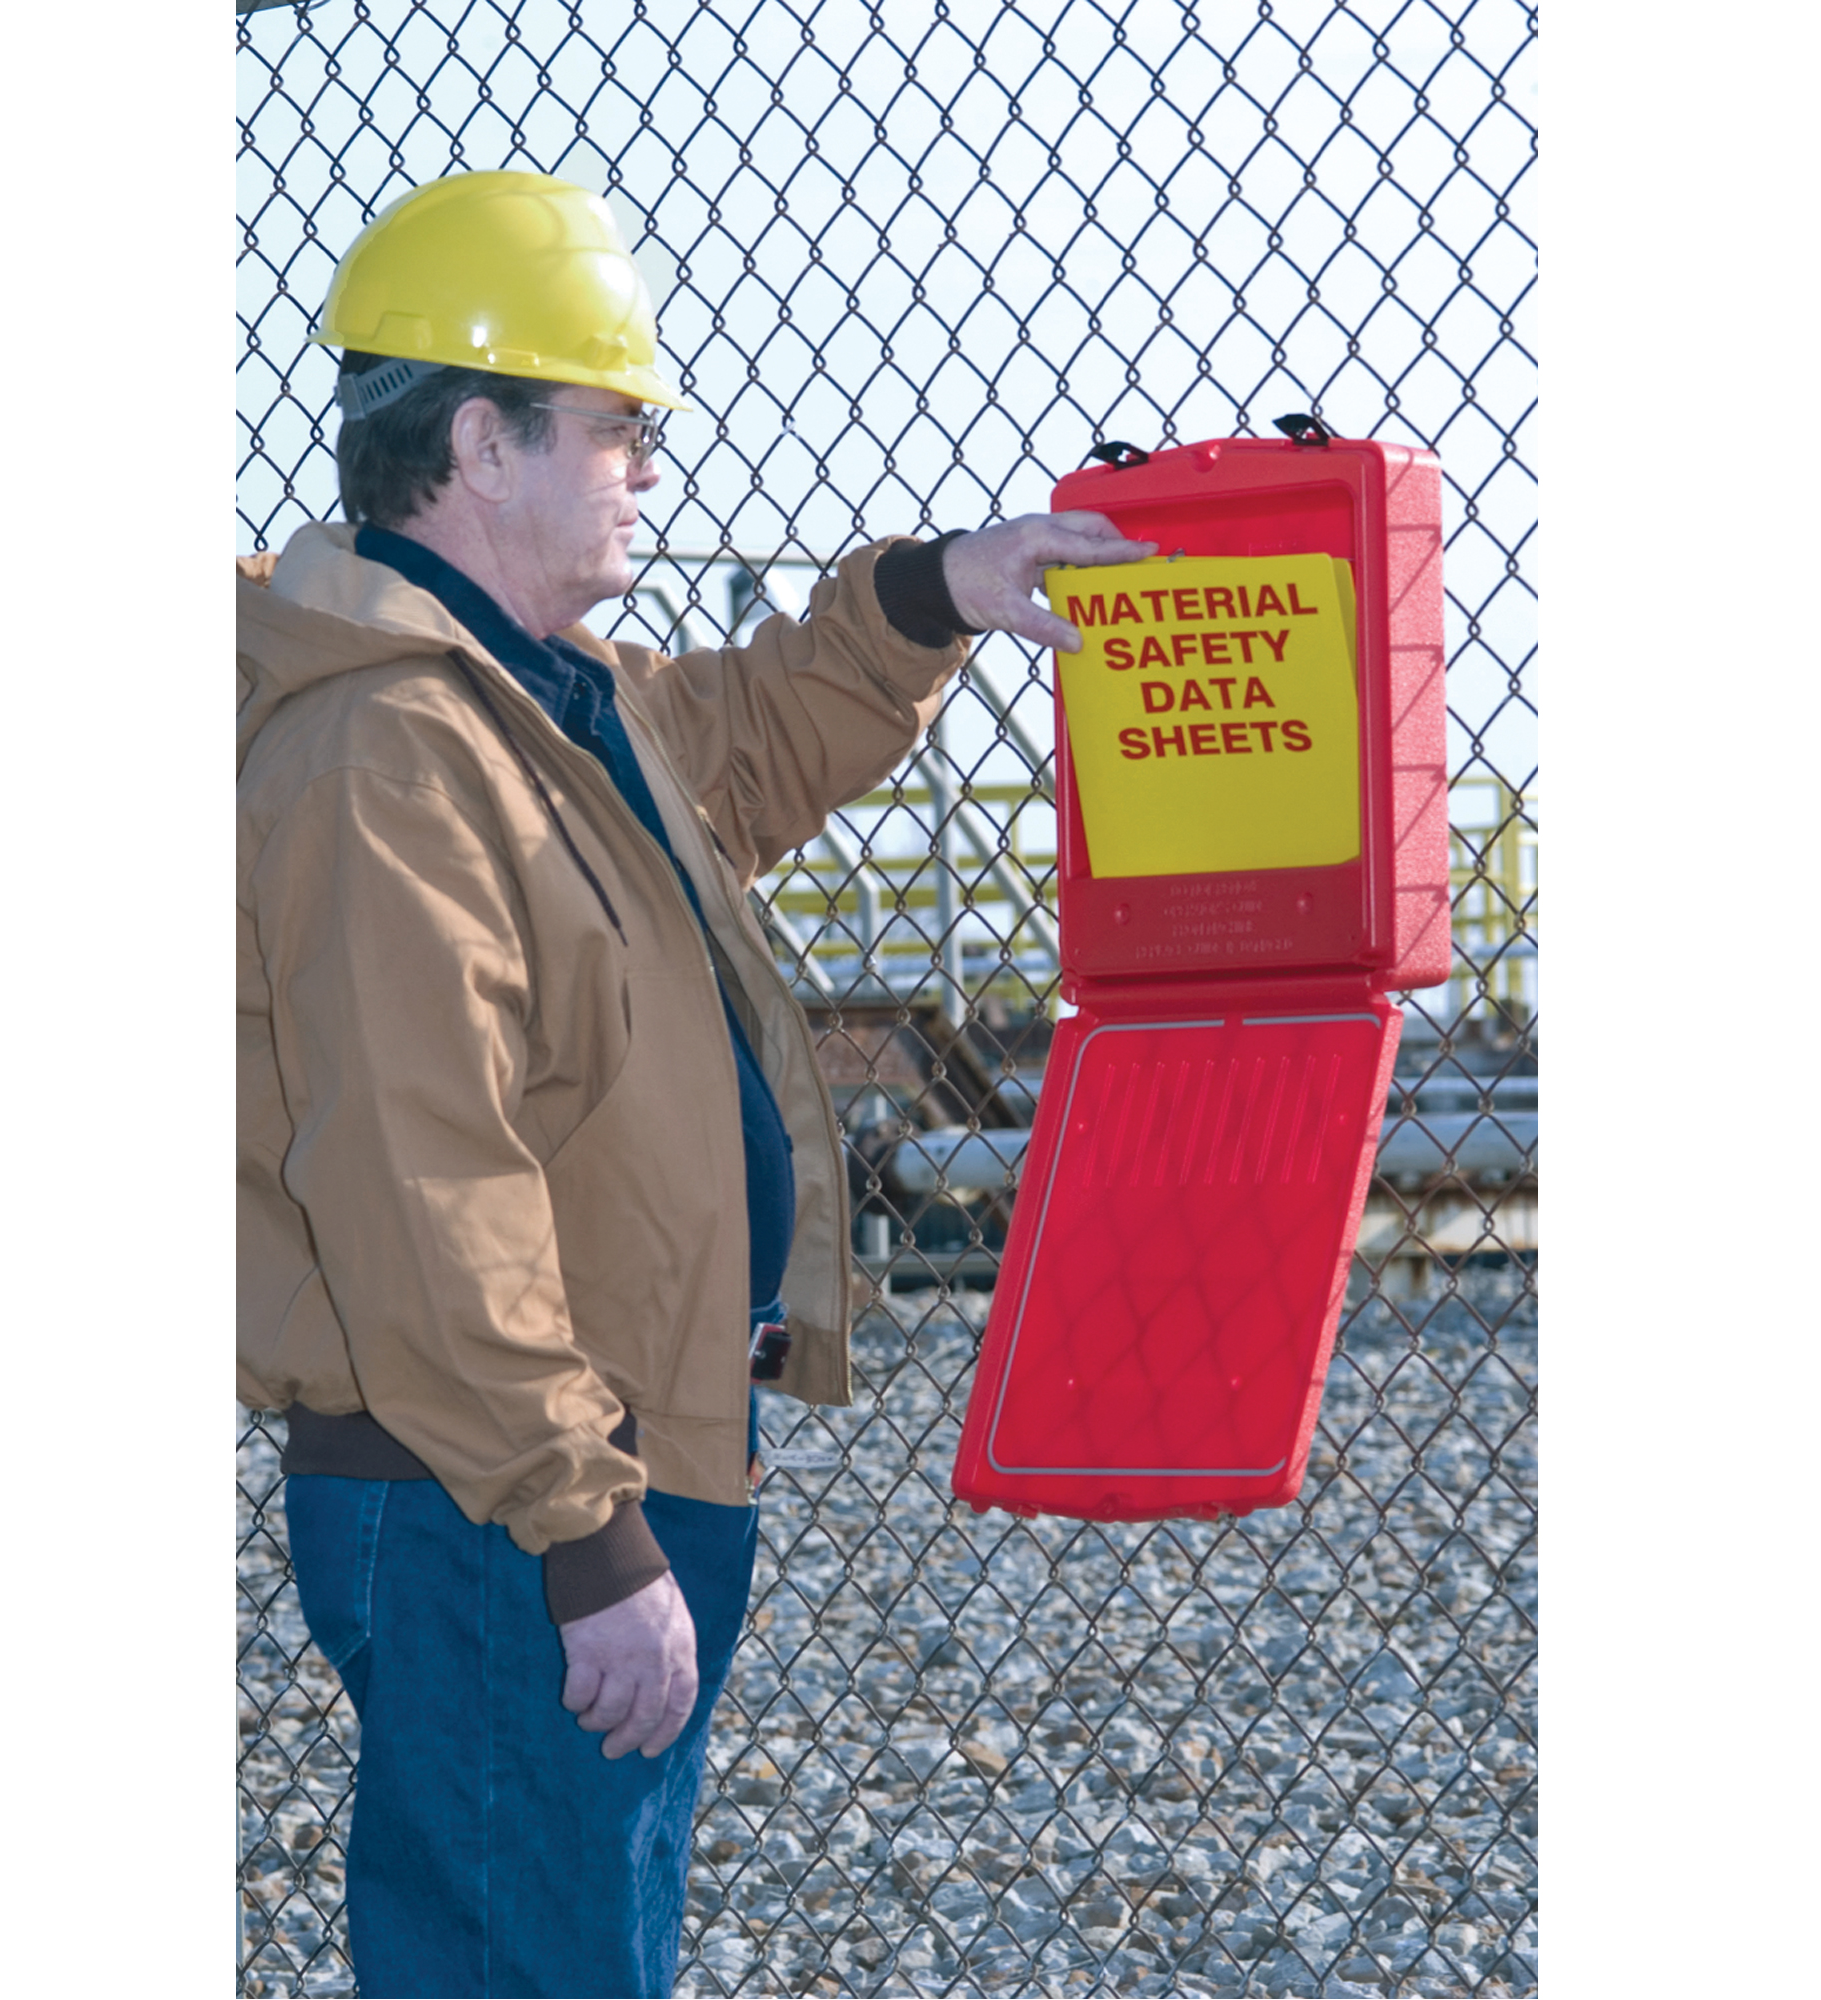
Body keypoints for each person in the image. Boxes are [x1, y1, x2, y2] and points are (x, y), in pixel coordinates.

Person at [236, 168, 1153, 1998]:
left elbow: (748, 734)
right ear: (481, 444)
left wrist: (939, 592)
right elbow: (430, 1188)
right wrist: (581, 1530)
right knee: (530, 1961)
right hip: (492, 1493)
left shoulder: (554, 692)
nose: (650, 460)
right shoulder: (389, 751)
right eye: (616, 424)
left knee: (570, 1944)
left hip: (582, 1468)